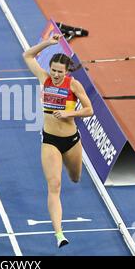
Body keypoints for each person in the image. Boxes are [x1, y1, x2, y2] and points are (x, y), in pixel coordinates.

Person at [23, 34, 93, 248]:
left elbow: (89, 109)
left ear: (66, 72)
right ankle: (59, 234)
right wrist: (48, 44)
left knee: (74, 177)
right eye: (53, 70)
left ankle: (72, 170)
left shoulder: (74, 85)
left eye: (59, 72)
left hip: (71, 140)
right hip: (50, 140)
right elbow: (27, 55)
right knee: (54, 185)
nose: (55, 74)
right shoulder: (43, 78)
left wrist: (70, 115)